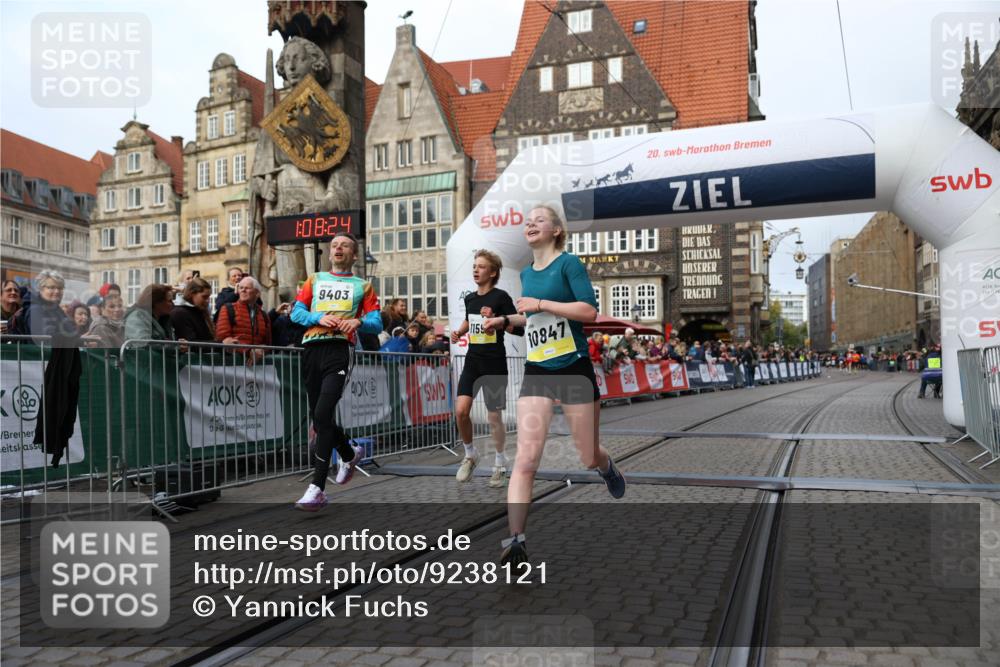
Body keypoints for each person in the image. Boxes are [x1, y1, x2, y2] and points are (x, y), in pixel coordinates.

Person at [498, 205, 625, 566]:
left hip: (572, 366)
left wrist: (541, 303)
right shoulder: (526, 273)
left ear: (556, 230)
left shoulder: (569, 264)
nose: (530, 223)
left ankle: (606, 466)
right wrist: (506, 321)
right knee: (525, 459)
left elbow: (588, 311)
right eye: (528, 221)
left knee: (587, 455)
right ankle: (516, 541)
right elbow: (532, 318)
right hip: (538, 369)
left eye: (539, 219)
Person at [291, 232, 382, 511]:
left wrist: (358, 322)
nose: (338, 248)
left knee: (322, 414)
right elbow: (296, 313)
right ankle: (348, 452)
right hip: (312, 349)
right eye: (334, 245)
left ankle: (317, 488)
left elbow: (376, 322)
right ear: (330, 253)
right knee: (320, 419)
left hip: (339, 351)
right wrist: (318, 317)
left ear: (354, 255)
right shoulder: (315, 279)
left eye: (345, 246)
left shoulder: (363, 286)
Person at [450, 249, 523, 488]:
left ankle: (500, 462)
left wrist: (497, 320)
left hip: (494, 363)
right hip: (473, 361)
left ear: (492, 272)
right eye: (474, 266)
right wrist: (459, 332)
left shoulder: (501, 297)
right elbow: (470, 319)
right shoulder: (470, 298)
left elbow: (518, 328)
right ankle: (470, 454)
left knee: (494, 416)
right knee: (461, 411)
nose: (475, 270)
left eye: (481, 267)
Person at [9, 271, 96, 467]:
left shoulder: (56, 311)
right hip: (35, 372)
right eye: (51, 287)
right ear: (40, 289)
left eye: (59, 288)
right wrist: (77, 340)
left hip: (52, 371)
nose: (56, 291)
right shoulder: (36, 310)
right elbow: (43, 339)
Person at [215, 276, 272, 362]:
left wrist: (261, 351)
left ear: (257, 293)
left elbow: (267, 343)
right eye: (241, 288)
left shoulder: (264, 315)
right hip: (233, 363)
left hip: (257, 365)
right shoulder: (227, 309)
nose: (243, 290)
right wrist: (248, 351)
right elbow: (223, 338)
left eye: (247, 288)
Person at [171, 277, 215, 343]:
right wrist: (222, 344)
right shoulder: (179, 313)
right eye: (204, 297)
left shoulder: (199, 310)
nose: (207, 301)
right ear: (192, 294)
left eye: (208, 297)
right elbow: (191, 342)